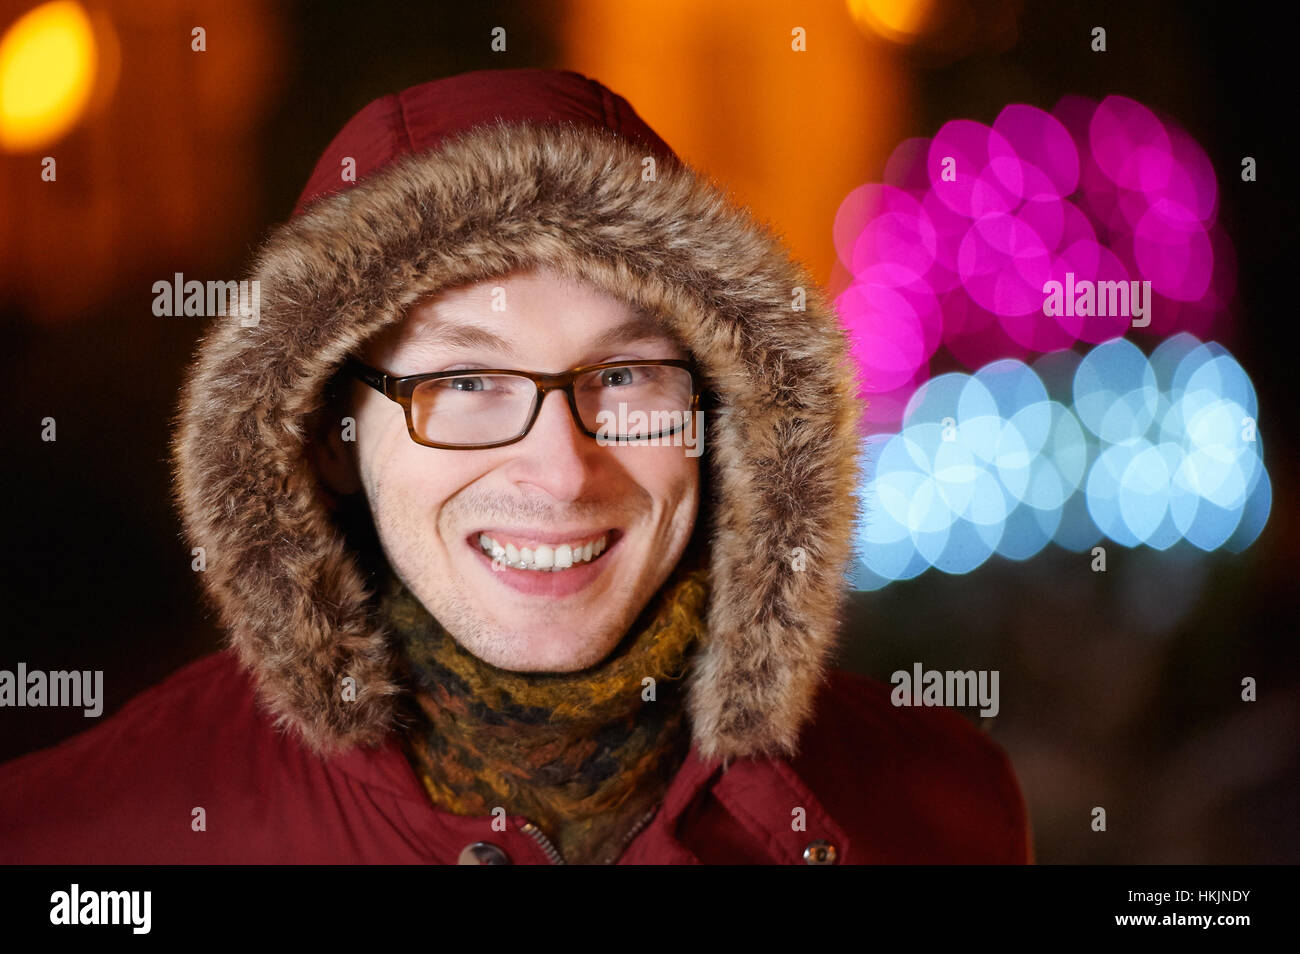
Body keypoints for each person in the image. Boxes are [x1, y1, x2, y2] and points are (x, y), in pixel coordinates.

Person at [0, 68, 1031, 864]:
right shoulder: (81, 837)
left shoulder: (938, 804)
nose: (562, 470)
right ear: (329, 434)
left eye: (625, 376)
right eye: (464, 383)